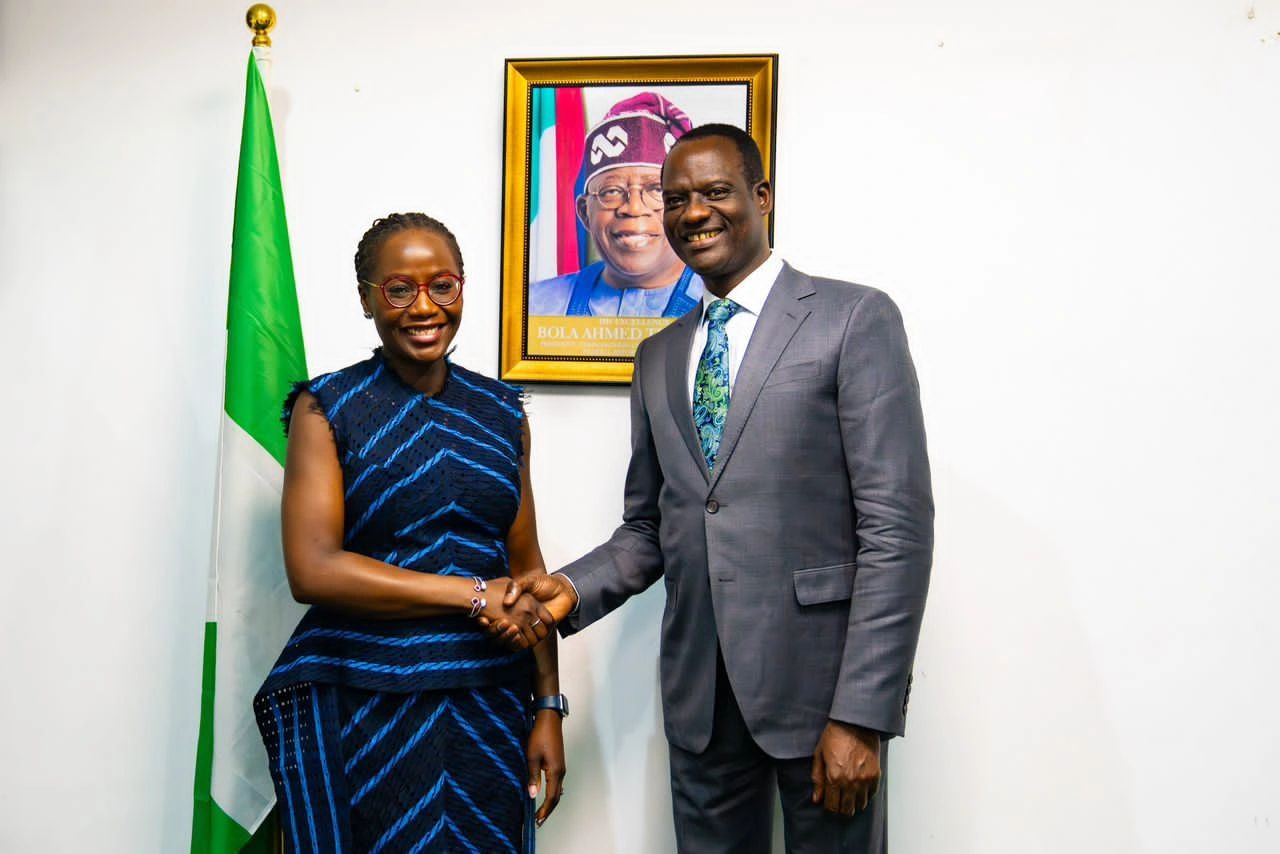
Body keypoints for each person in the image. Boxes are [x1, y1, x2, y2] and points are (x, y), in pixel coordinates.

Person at [508, 125, 934, 852]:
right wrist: (568, 592)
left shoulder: (853, 319)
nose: (692, 213)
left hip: (822, 698)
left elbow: (896, 531)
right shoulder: (659, 355)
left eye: (714, 192)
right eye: (676, 199)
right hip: (701, 702)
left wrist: (862, 714)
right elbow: (651, 527)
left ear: (761, 197)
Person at [254, 213, 567, 852]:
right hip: (371, 704)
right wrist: (471, 595)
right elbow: (312, 570)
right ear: (367, 298)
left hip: (489, 705)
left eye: (442, 286)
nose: (424, 308)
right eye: (399, 290)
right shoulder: (327, 408)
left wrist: (547, 706)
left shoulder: (502, 412)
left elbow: (527, 572)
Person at [527, 92, 705, 318]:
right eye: (611, 191)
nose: (634, 208)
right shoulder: (534, 307)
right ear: (584, 213)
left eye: (657, 190)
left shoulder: (724, 307)